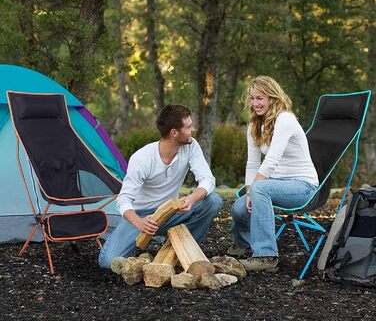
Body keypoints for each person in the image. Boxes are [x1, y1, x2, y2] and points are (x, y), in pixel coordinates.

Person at [99, 104, 223, 269]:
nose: (193, 129)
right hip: (142, 216)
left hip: (171, 212)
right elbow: (124, 200)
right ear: (174, 132)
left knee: (213, 200)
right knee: (108, 262)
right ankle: (120, 237)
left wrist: (192, 198)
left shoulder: (191, 146)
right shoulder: (142, 158)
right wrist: (138, 222)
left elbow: (208, 179)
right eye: (188, 126)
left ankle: (181, 250)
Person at [229, 76, 318, 272]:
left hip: (303, 187)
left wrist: (255, 190)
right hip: (274, 185)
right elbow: (252, 164)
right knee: (238, 208)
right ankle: (243, 244)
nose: (255, 103)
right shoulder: (254, 125)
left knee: (258, 189)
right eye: (252, 98)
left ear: (272, 97)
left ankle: (266, 256)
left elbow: (271, 160)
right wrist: (250, 192)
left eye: (260, 98)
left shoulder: (285, 119)